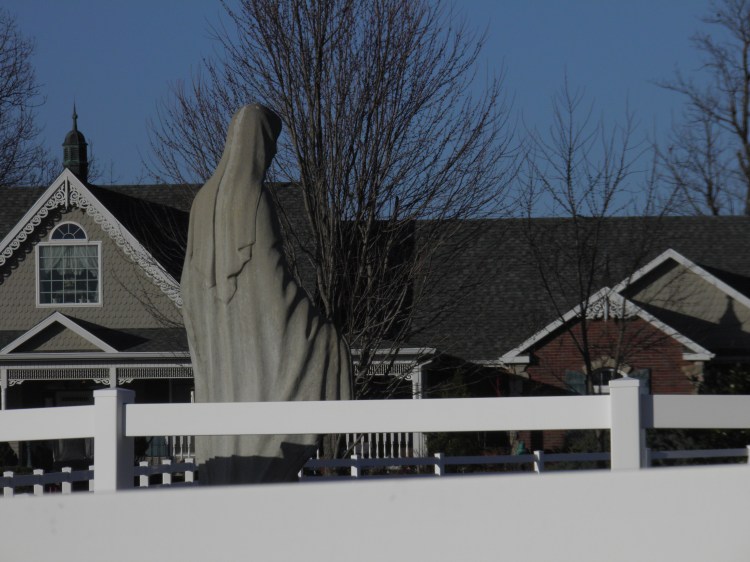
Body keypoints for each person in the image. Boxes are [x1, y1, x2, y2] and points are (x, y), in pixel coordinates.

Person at [181, 104, 352, 484]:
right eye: (269, 146)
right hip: (251, 356)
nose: (270, 156)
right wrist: (322, 337)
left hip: (219, 356)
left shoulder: (200, 202)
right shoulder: (253, 196)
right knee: (324, 347)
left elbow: (190, 288)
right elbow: (272, 285)